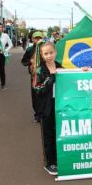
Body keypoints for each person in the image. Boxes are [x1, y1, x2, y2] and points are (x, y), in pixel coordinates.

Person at [33, 42, 62, 175]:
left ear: (55, 52)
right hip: (46, 108)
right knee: (48, 136)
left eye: (51, 52)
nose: (49, 55)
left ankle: (59, 159)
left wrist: (83, 71)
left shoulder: (61, 66)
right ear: (42, 55)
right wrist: (51, 77)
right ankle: (49, 163)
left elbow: (73, 79)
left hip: (60, 106)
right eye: (46, 53)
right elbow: (38, 89)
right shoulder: (39, 70)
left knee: (59, 133)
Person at [21, 30, 44, 123]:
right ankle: (37, 114)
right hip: (35, 75)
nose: (38, 39)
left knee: (45, 94)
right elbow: (23, 61)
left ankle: (44, 114)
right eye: (36, 38)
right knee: (35, 95)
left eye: (40, 37)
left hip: (45, 75)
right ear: (32, 39)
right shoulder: (30, 49)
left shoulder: (45, 48)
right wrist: (30, 62)